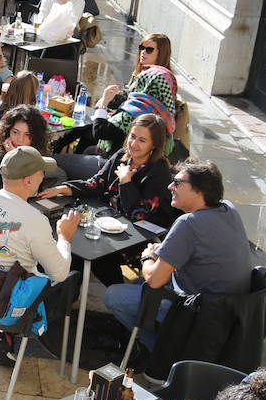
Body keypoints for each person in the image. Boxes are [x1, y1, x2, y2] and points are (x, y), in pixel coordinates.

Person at [103, 160, 254, 348]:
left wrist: (147, 257)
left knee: (113, 295)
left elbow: (154, 280)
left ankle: (160, 352)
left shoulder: (188, 223)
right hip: (230, 310)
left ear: (199, 191)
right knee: (137, 285)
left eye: (177, 182)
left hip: (198, 312)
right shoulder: (228, 208)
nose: (169, 186)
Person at [0, 147, 81, 357]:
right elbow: (59, 274)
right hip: (10, 309)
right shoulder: (35, 220)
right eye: (41, 172)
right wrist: (64, 237)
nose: (44, 176)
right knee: (73, 279)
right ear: (28, 181)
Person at [38, 115, 174, 286]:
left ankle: (117, 292)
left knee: (94, 254)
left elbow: (139, 214)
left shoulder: (159, 172)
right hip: (109, 226)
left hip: (140, 238)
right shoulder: (123, 156)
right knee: (74, 245)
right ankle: (66, 293)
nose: (133, 143)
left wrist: (126, 182)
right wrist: (63, 188)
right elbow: (97, 183)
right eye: (132, 136)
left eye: (142, 140)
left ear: (154, 145)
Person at [92, 33, 179, 154]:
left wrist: (104, 104)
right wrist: (110, 100)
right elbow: (128, 96)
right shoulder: (143, 75)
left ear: (161, 53)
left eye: (149, 50)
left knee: (86, 137)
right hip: (123, 142)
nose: (143, 52)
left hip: (124, 152)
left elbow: (102, 131)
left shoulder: (155, 81)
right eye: (141, 47)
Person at [0, 105, 53, 189]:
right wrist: (12, 160)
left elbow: (35, 190)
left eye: (28, 134)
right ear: (7, 131)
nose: (20, 140)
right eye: (15, 132)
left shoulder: (37, 154)